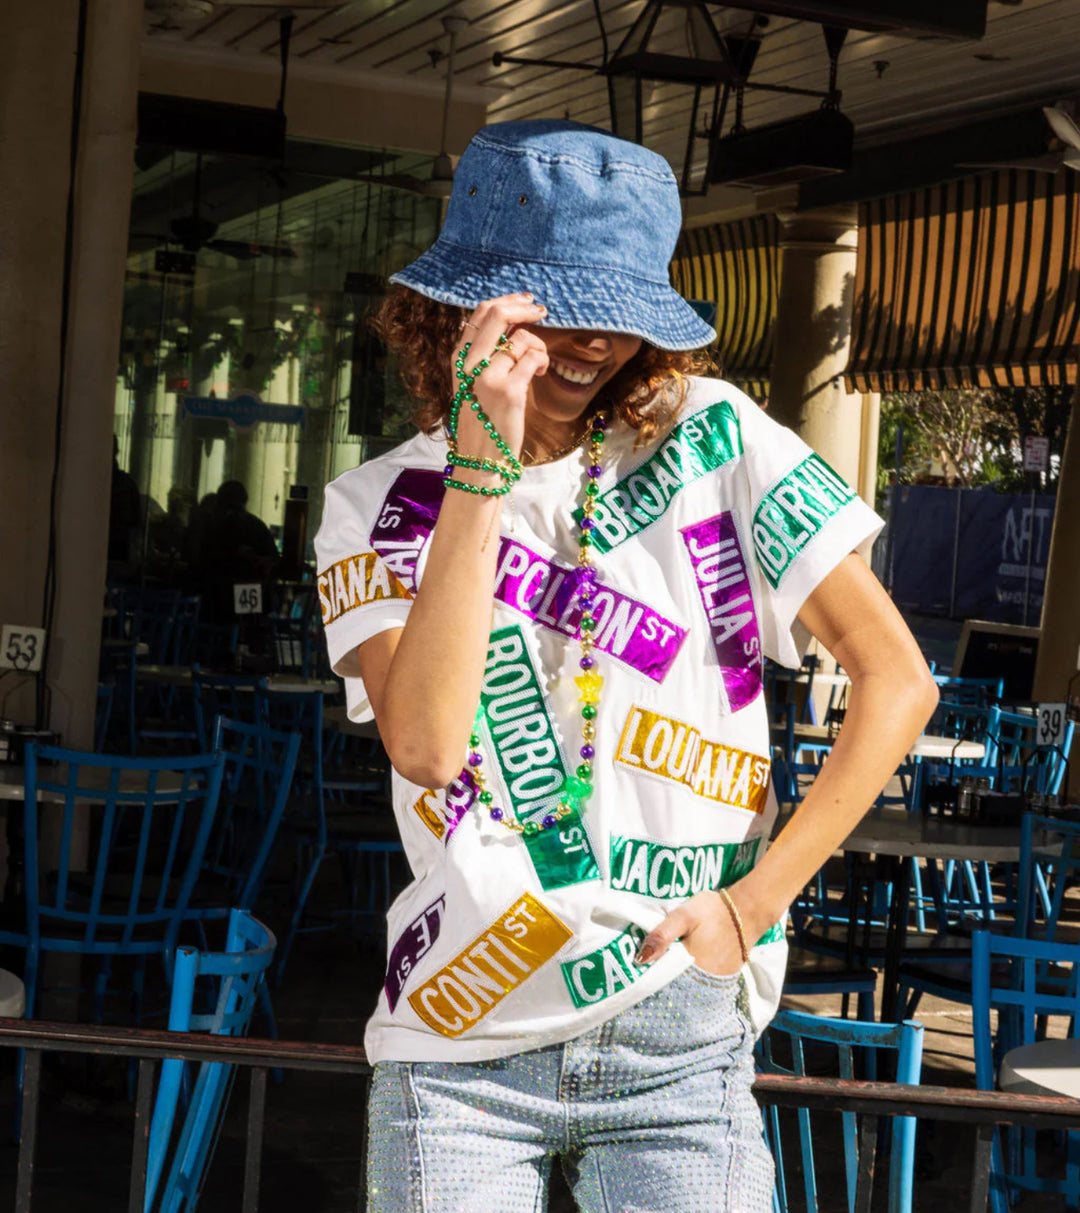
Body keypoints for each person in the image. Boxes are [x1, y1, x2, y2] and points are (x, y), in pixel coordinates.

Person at [315, 120, 938, 1213]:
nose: (588, 340)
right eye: (550, 305)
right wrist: (480, 467)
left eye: (613, 308)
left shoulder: (719, 439)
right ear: (458, 307)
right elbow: (426, 743)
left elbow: (898, 679)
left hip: (679, 1026)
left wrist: (752, 906)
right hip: (464, 1039)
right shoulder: (377, 506)